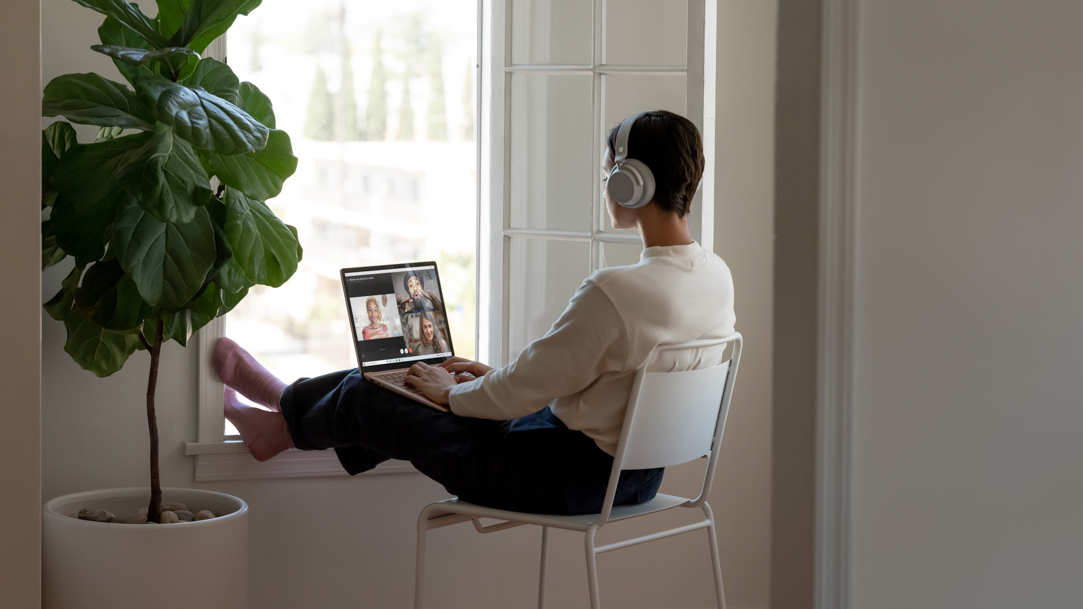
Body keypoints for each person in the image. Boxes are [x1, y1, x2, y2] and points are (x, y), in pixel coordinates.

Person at [215, 110, 736, 516]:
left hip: (554, 480)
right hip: (637, 476)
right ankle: (284, 405)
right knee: (404, 380)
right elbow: (607, 384)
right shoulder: (715, 277)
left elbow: (524, 391)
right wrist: (484, 382)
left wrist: (454, 393)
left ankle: (279, 427)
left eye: (609, 175)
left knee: (372, 395)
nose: (606, 187)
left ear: (630, 184)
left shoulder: (617, 291)